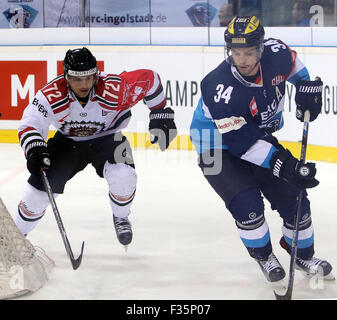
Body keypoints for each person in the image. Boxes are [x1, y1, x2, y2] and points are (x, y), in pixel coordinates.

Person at [190, 16, 334, 282]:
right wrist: (285, 164)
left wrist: (305, 90)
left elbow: (294, 67)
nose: (241, 60)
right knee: (248, 205)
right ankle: (264, 256)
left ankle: (301, 254)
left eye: (248, 52)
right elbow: (240, 142)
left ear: (261, 49)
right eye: (236, 52)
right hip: (215, 147)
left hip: (256, 135)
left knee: (294, 196)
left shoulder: (277, 53)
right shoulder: (217, 86)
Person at [15, 47, 177, 249]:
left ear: (96, 75)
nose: (84, 84)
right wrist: (35, 148)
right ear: (66, 77)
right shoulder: (51, 95)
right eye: (76, 79)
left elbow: (150, 80)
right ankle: (14, 240)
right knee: (36, 195)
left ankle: (121, 217)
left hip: (108, 139)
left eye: (89, 77)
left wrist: (159, 112)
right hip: (67, 143)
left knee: (124, 176)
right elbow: (30, 123)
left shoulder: (116, 88)